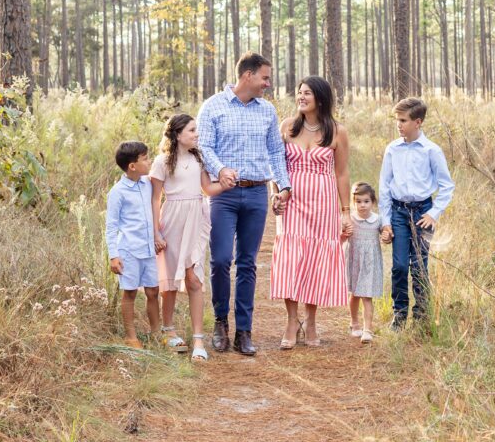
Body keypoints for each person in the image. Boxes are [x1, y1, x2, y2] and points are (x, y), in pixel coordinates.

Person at [197, 51, 291, 356]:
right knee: (221, 259)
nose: (268, 83)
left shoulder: (267, 111)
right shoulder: (213, 107)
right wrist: (221, 169)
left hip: (256, 193)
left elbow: (276, 152)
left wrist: (284, 186)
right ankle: (220, 323)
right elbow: (204, 146)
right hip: (223, 194)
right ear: (247, 75)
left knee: (248, 263)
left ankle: (244, 331)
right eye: (265, 77)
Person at [270, 76, 352, 349]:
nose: (301, 97)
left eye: (307, 93)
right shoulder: (287, 127)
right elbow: (277, 166)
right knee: (291, 258)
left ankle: (311, 321)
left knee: (316, 260)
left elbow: (341, 174)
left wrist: (345, 212)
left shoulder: (337, 131)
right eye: (299, 92)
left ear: (320, 97)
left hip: (323, 203)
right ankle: (291, 321)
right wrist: (276, 192)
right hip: (292, 201)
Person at [150, 113, 223, 361]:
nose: (196, 134)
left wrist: (227, 182)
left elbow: (208, 189)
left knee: (194, 278)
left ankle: (198, 339)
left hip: (195, 218)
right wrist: (155, 231)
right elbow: (155, 199)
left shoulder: (197, 158)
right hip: (172, 220)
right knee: (169, 279)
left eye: (196, 130)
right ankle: (168, 328)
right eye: (192, 130)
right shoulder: (162, 162)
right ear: (178, 134)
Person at [379, 97, 455, 329]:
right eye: (397, 120)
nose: (399, 125)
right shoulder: (393, 149)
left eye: (403, 120)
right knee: (400, 265)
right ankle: (399, 315)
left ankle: (422, 315)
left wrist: (434, 213)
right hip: (399, 212)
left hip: (423, 213)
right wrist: (386, 222)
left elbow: (447, 185)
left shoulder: (431, 150)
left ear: (418, 122)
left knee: (420, 265)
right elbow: (384, 186)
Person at [106, 140, 162, 349]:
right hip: (128, 250)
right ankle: (131, 337)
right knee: (129, 292)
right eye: (145, 158)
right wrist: (114, 255)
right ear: (132, 165)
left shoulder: (147, 184)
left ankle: (157, 332)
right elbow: (111, 226)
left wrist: (158, 236)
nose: (149, 161)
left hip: (148, 250)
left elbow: (153, 212)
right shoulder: (118, 192)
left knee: (153, 291)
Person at [346, 182, 384, 343]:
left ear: (373, 202)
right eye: (358, 201)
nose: (362, 205)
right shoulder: (350, 220)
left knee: (367, 295)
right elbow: (341, 236)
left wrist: (387, 235)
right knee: (355, 294)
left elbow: (386, 235)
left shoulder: (377, 220)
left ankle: (367, 329)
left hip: (370, 262)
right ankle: (354, 324)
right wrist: (344, 232)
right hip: (354, 260)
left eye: (366, 201)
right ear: (353, 203)